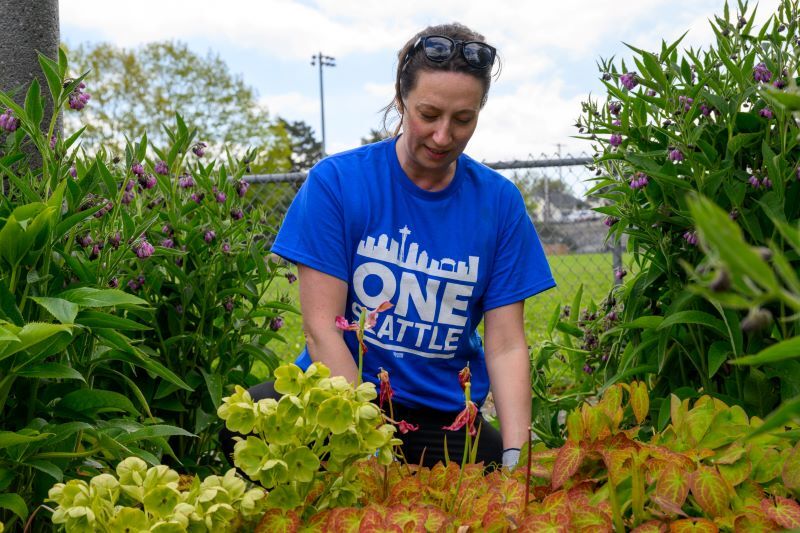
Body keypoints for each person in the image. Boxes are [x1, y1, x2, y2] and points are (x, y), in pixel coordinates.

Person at [224, 22, 555, 471]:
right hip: (340, 398)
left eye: (463, 120)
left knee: (492, 483)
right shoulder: (339, 183)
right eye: (429, 114)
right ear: (401, 101)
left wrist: (518, 455)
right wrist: (366, 440)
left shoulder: (499, 203)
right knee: (248, 424)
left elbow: (507, 345)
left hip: (443, 417)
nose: (443, 136)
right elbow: (323, 329)